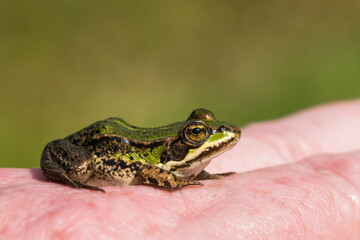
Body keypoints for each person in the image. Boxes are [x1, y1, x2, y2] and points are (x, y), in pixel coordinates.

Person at [1, 100, 360, 239]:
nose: (210, 134)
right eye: (197, 134)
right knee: (79, 165)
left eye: (201, 128)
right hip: (98, 144)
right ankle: (66, 174)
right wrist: (174, 180)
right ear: (178, 144)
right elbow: (146, 171)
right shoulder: (156, 161)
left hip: (116, 130)